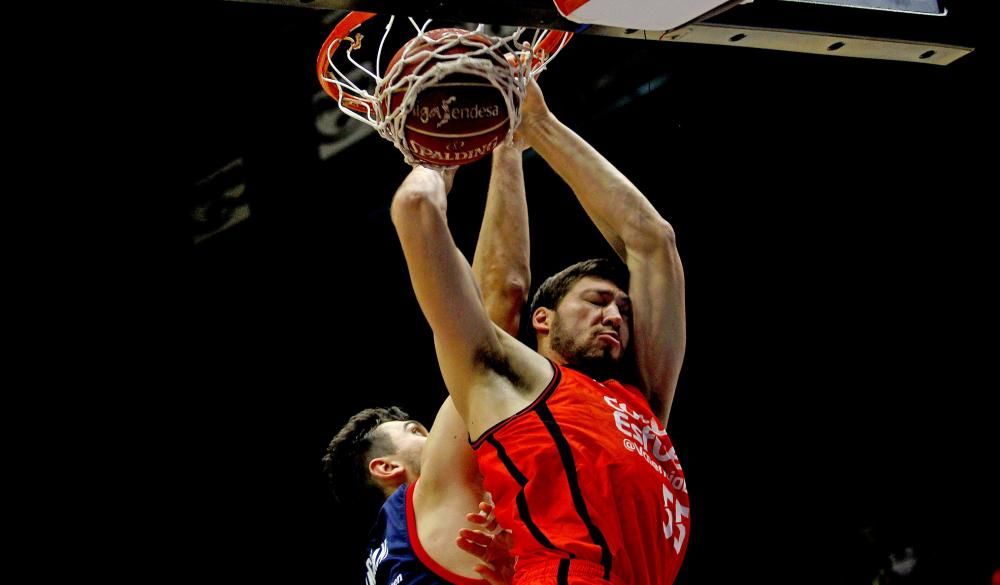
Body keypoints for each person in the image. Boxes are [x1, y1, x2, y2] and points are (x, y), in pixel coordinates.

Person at [390, 78, 689, 584]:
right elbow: (417, 210)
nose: (617, 315)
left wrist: (538, 126)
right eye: (597, 301)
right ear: (543, 319)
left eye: (623, 308)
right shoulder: (506, 385)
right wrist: (439, 145)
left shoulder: (641, 400)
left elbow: (653, 240)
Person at [323, 142, 530, 585]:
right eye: (418, 431)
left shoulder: (381, 560)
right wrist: (506, 146)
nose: (434, 433)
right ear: (386, 467)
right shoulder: (426, 495)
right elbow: (498, 304)